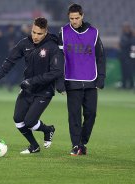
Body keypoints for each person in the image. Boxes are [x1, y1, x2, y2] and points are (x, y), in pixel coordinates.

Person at [0, 17, 64, 154]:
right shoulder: (24, 43)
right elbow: (10, 60)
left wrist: (33, 81)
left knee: (29, 122)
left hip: (44, 91)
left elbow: (56, 72)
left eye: (39, 33)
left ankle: (48, 130)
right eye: (34, 32)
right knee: (18, 119)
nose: (35, 36)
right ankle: (34, 146)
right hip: (27, 89)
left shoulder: (53, 47)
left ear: (46, 32)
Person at [58, 4, 106, 156]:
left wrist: (101, 78)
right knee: (74, 115)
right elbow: (57, 59)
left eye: (77, 18)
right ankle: (76, 145)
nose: (74, 21)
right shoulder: (63, 33)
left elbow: (100, 57)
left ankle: (82, 142)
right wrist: (58, 82)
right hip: (71, 81)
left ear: (82, 16)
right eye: (71, 18)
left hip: (91, 81)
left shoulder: (94, 33)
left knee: (91, 114)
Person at [119, 23, 134, 89]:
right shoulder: (124, 36)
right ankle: (124, 85)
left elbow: (130, 45)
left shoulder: (131, 36)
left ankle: (130, 85)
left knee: (130, 71)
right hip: (124, 57)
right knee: (124, 72)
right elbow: (123, 44)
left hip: (130, 57)